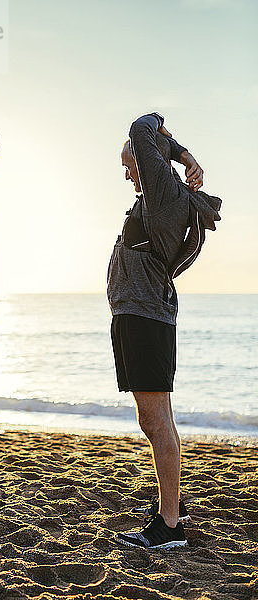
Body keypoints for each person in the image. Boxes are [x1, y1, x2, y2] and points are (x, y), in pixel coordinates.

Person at [107, 112, 221, 549]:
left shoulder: (164, 194)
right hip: (141, 313)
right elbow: (144, 140)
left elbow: (141, 126)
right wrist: (177, 149)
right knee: (157, 419)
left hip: (145, 315)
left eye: (128, 163)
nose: (126, 172)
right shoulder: (161, 196)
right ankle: (172, 502)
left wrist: (178, 148)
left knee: (155, 421)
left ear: (144, 159)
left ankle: (170, 524)